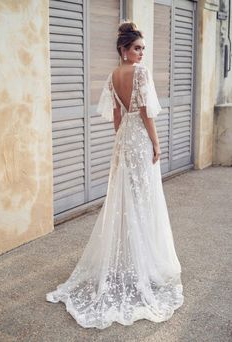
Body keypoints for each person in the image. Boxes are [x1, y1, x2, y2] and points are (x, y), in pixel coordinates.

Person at [46, 21, 184, 330]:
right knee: (143, 199)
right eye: (136, 48)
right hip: (140, 139)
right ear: (123, 50)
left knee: (127, 199)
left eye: (143, 49)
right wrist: (156, 142)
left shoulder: (112, 76)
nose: (141, 53)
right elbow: (147, 112)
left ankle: (132, 261)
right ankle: (142, 264)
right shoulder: (140, 74)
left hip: (124, 140)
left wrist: (121, 141)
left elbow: (118, 117)